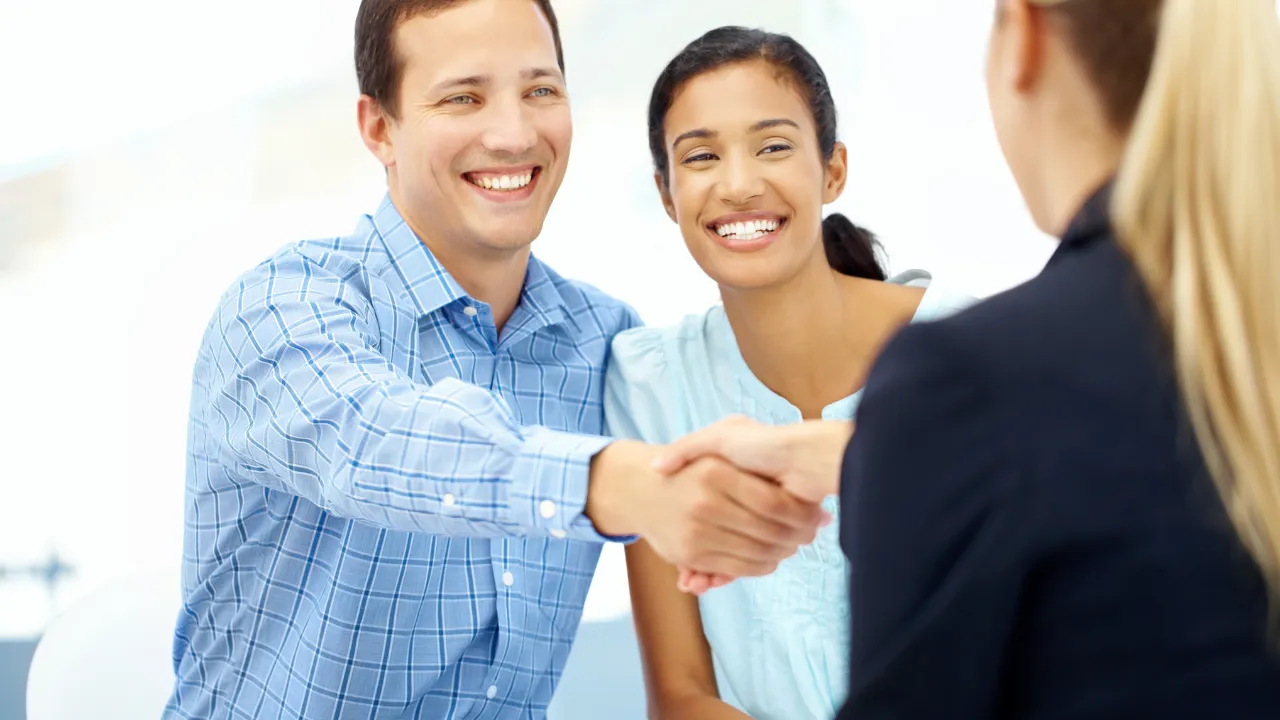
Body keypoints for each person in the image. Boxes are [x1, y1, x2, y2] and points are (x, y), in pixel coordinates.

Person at [165, 1, 828, 717]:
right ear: (379, 127)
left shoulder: (603, 341)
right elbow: (377, 440)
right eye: (463, 98)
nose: (514, 134)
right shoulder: (278, 310)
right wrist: (612, 482)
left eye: (540, 90)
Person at [662, 0, 1280, 718]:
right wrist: (871, 456)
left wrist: (905, 447)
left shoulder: (967, 375)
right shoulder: (1222, 332)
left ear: (1024, 35)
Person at [603, 27, 975, 720]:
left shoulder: (969, 349)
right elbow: (681, 696)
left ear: (832, 170)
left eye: (773, 146)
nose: (739, 185)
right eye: (701, 156)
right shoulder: (649, 384)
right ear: (667, 194)